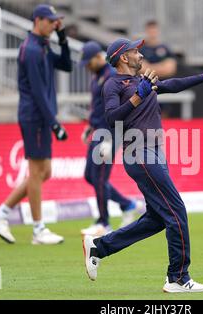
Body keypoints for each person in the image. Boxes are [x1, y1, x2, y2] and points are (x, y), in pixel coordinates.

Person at [82, 38, 203, 293]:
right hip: (139, 153)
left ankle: (100, 247)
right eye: (135, 51)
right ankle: (177, 277)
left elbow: (173, 85)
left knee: (156, 219)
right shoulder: (112, 84)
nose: (140, 54)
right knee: (176, 212)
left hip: (153, 153)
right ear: (123, 58)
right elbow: (111, 118)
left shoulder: (144, 82)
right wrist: (137, 98)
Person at [0, 4, 72, 245]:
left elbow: (67, 65)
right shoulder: (31, 50)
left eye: (57, 22)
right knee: (36, 172)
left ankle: (1, 213)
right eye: (51, 21)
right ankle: (38, 230)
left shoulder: (43, 46)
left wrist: (62, 38)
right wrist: (54, 123)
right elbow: (36, 91)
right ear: (38, 21)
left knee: (45, 172)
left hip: (41, 117)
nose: (54, 25)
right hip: (35, 117)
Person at [79, 41, 142, 237]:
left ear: (98, 57)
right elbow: (97, 105)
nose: (88, 67)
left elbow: (117, 108)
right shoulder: (97, 76)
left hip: (110, 132)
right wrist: (90, 125)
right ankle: (127, 204)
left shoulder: (112, 75)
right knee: (90, 175)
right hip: (98, 130)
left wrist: (110, 139)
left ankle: (104, 223)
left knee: (99, 177)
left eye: (89, 62)